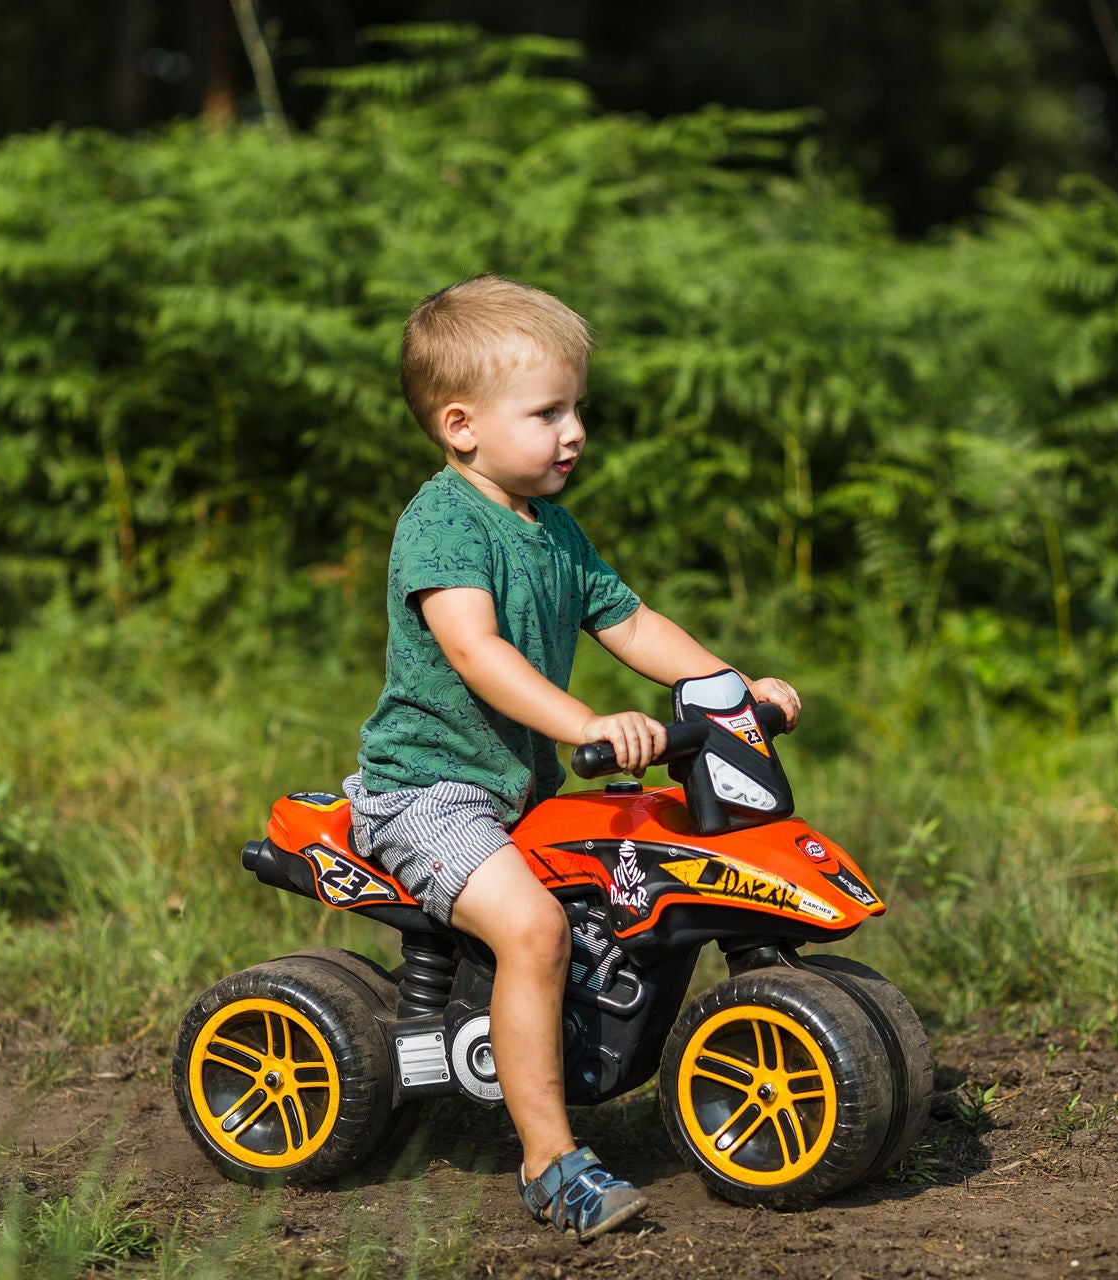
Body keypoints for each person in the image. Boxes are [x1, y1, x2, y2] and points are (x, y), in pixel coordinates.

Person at [342, 274, 802, 1241]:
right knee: (539, 932)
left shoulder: (553, 529)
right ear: (461, 425)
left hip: (521, 792)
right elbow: (477, 651)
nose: (574, 430)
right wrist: (582, 722)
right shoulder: (441, 522)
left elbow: (632, 623)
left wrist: (731, 687)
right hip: (428, 794)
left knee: (643, 876)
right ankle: (552, 1162)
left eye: (576, 407)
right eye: (547, 411)